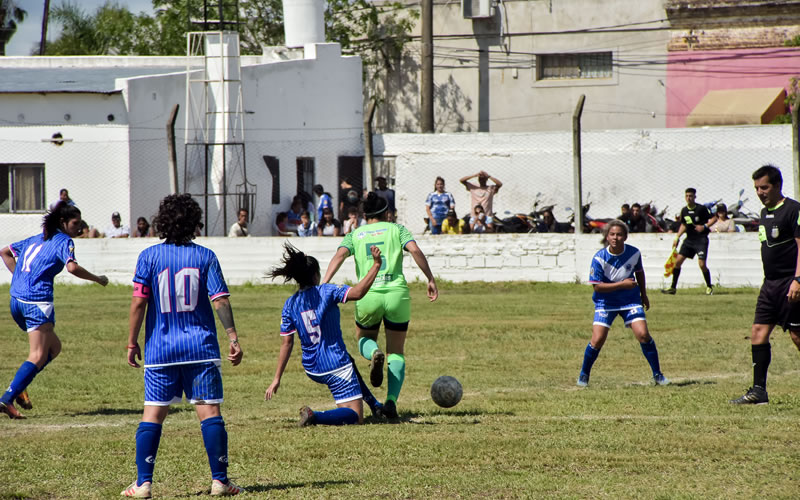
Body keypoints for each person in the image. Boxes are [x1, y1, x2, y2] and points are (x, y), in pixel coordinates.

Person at [121, 194, 244, 497]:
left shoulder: (148, 257)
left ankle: (143, 484)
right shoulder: (205, 257)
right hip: (200, 349)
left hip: (160, 351)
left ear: (162, 221)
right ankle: (220, 481)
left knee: (153, 414)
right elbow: (220, 300)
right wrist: (232, 337)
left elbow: (139, 302)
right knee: (209, 411)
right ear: (194, 222)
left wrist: (131, 342)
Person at [322, 193, 439, 419]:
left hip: (368, 295)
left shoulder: (355, 234)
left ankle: (374, 352)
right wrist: (430, 278)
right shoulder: (398, 230)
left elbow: (339, 256)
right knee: (396, 351)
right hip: (397, 295)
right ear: (386, 212)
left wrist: (323, 284)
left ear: (365, 215)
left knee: (364, 338)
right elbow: (414, 250)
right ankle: (391, 401)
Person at [0, 202, 109, 419]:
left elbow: (5, 252)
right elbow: (72, 267)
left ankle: (20, 385)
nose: (79, 228)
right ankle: (8, 398)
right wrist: (98, 279)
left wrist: (21, 280)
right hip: (37, 303)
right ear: (63, 222)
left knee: (54, 348)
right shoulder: (63, 240)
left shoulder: (37, 238)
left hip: (16, 301)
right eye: (75, 223)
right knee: (39, 354)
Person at [265, 243, 387, 426]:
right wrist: (376, 265)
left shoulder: (290, 304)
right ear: (315, 275)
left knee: (349, 361)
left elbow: (286, 343)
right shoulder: (327, 291)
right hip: (335, 365)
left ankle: (374, 404)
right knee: (355, 417)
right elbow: (358, 292)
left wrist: (276, 379)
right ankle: (315, 416)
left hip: (312, 368)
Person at [730, 165, 800, 404]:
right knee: (758, 333)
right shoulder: (764, 213)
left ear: (777, 185)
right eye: (757, 188)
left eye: (765, 187)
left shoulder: (793, 210)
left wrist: (798, 279)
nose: (760, 192)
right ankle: (758, 391)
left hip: (790, 283)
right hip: (769, 285)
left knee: (797, 335)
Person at [577, 220, 669, 388]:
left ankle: (658, 375)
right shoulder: (599, 258)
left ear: (625, 236)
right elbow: (597, 287)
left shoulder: (634, 253)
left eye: (619, 234)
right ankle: (584, 374)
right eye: (612, 234)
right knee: (597, 340)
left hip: (630, 300)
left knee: (643, 334)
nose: (615, 238)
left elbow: (640, 273)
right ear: (607, 236)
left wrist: (644, 294)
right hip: (606, 302)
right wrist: (622, 285)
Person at [662, 188, 717, 295]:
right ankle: (673, 288)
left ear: (695, 197)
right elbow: (684, 225)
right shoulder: (684, 210)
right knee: (677, 262)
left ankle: (709, 287)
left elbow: (714, 218)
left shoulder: (701, 209)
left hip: (701, 240)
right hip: (689, 240)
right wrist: (677, 237)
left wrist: (704, 226)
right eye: (687, 196)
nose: (689, 198)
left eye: (691, 196)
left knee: (702, 264)